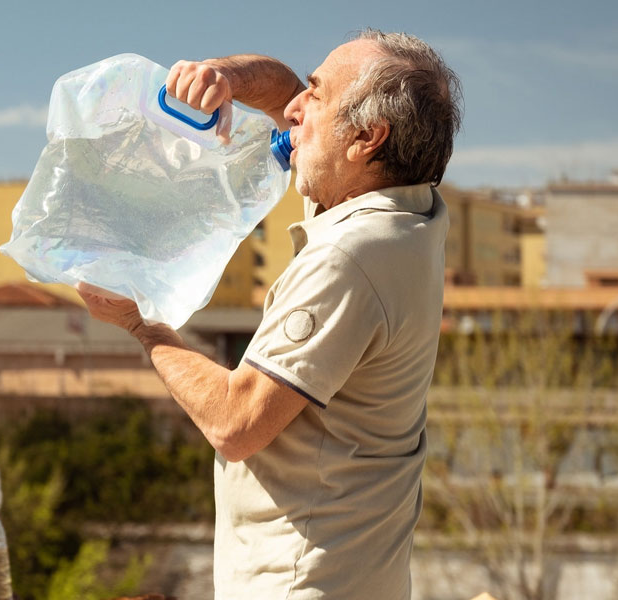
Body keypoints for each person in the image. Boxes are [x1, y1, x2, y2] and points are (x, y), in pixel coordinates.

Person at [78, 29, 461, 598]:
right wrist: (224, 77)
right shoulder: (404, 212)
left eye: (317, 96)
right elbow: (281, 88)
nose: (293, 109)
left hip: (300, 581)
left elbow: (236, 422)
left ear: (366, 138)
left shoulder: (350, 258)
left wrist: (143, 325)